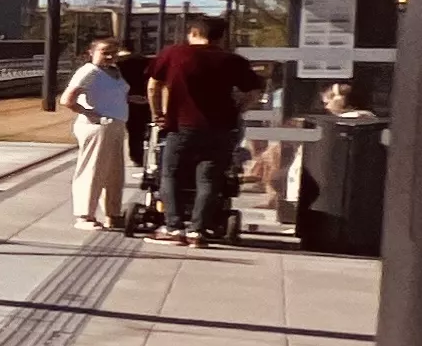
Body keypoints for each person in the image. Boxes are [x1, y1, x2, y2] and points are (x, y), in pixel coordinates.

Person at [146, 14, 266, 248]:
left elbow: (153, 85)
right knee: (209, 179)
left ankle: (174, 227)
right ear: (221, 37)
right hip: (221, 129)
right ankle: (197, 231)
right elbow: (253, 92)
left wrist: (157, 113)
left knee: (170, 174)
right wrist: (239, 109)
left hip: (182, 126)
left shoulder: (175, 54)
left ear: (193, 33)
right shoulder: (234, 61)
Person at [57, 38, 130, 231]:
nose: (109, 55)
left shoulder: (114, 72)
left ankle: (112, 214)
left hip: (116, 124)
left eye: (113, 52)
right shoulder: (89, 71)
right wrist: (90, 113)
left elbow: (110, 94)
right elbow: (67, 99)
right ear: (91, 52)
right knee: (93, 170)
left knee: (114, 173)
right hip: (98, 126)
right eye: (104, 51)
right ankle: (84, 215)